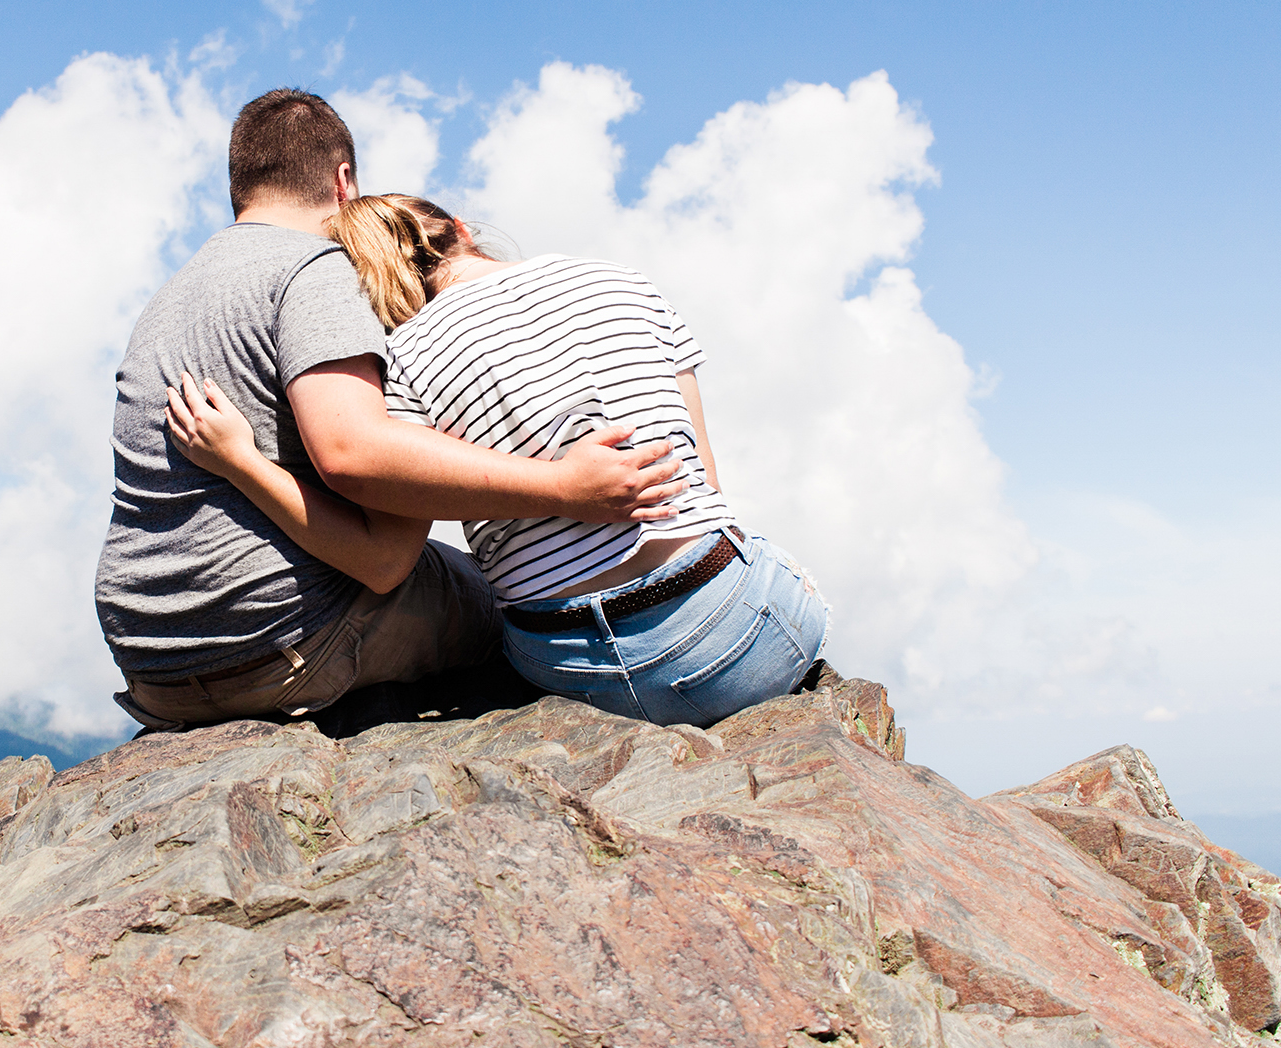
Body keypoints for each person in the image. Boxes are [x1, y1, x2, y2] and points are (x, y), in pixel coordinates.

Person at [94, 92, 685, 733]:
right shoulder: (315, 269)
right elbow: (364, 486)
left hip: (151, 661)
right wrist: (565, 489)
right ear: (344, 180)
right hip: (285, 646)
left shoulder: (167, 300)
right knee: (516, 602)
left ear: (241, 185)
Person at [166, 192, 828, 730]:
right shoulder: (623, 282)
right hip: (744, 640)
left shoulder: (399, 363)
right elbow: (704, 482)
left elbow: (388, 544)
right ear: (458, 227)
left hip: (568, 673)